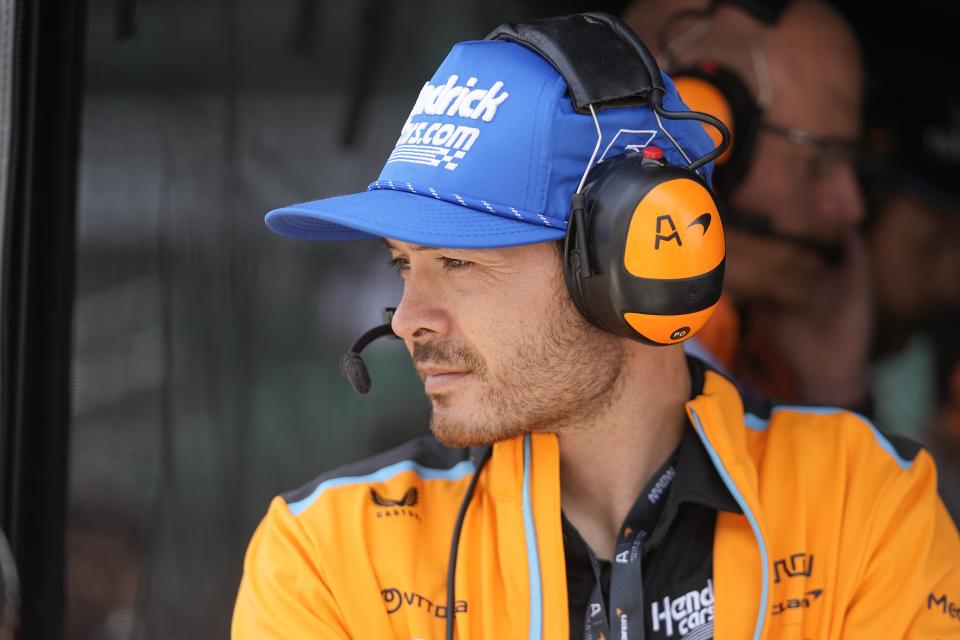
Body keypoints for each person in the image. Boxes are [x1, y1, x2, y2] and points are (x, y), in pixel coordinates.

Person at [232, 13, 960, 640]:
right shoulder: (327, 553)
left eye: (457, 262)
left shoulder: (863, 503)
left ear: (637, 258)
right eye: (402, 265)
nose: (411, 321)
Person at [625, 0, 871, 408]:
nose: (851, 204)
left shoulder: (741, 355)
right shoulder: (631, 388)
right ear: (696, 128)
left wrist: (825, 390)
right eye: (821, 160)